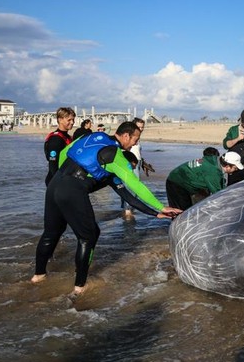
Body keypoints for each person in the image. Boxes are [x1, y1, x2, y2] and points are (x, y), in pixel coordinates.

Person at [31, 122, 182, 299]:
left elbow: (65, 153)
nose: (135, 144)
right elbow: (135, 185)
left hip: (55, 183)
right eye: (135, 139)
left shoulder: (93, 137)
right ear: (126, 136)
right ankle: (80, 287)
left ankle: (38, 276)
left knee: (51, 233)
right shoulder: (115, 155)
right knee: (89, 236)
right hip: (72, 189)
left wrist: (154, 213)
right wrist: (161, 206)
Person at [166, 148, 243, 210]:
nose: (236, 171)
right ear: (228, 166)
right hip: (176, 183)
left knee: (192, 208)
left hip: (186, 181)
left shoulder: (215, 160)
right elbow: (218, 195)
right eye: (235, 168)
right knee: (181, 211)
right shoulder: (213, 172)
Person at [44, 107, 75, 185]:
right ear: (60, 120)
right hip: (56, 181)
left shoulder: (68, 137)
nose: (72, 122)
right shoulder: (56, 139)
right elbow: (52, 163)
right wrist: (57, 182)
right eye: (69, 120)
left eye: (73, 120)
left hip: (66, 177)